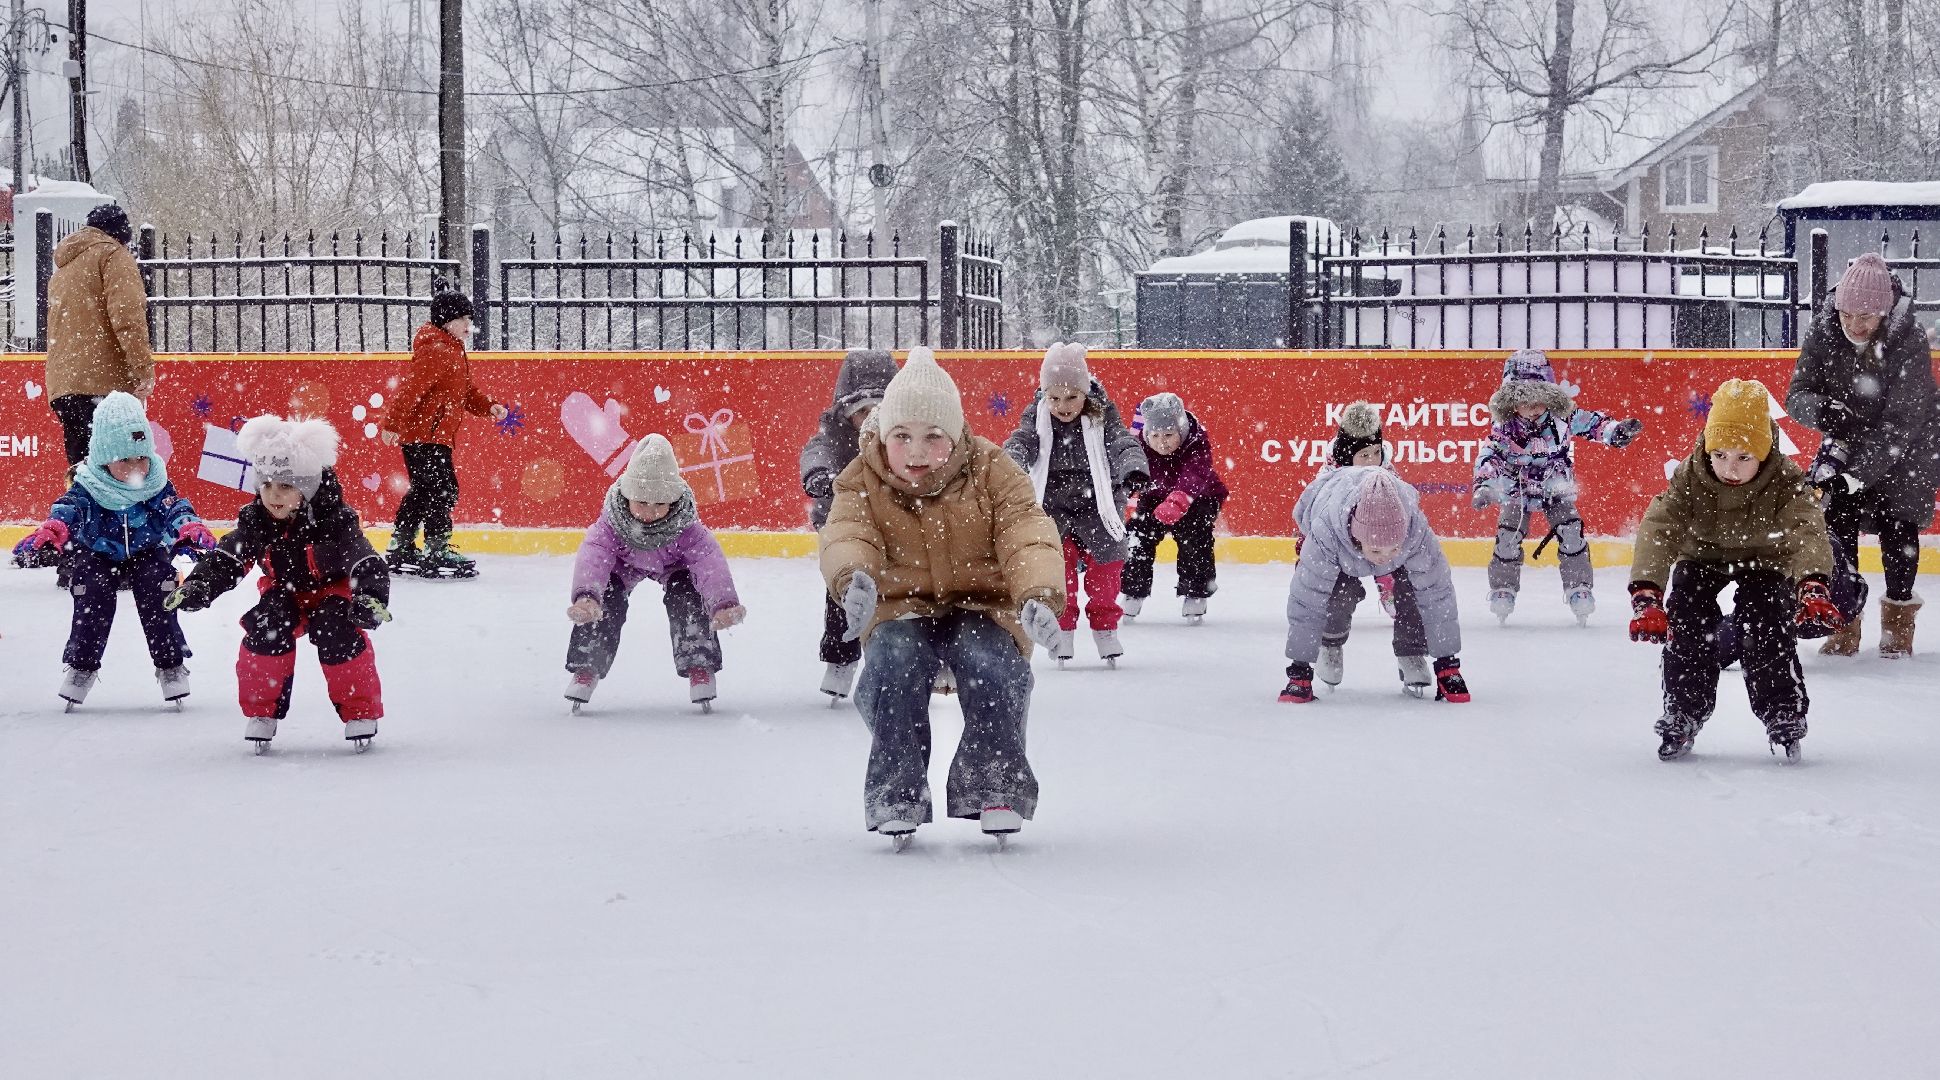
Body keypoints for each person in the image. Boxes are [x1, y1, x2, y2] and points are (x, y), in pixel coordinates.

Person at [820, 346, 1064, 845]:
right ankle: (897, 790)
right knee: (890, 666)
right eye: (902, 437)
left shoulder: (994, 470)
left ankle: (995, 784)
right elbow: (848, 533)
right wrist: (854, 579)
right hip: (901, 607)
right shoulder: (860, 478)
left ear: (956, 438)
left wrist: (1037, 593)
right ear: (883, 435)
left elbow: (1026, 533)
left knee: (995, 665)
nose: (916, 452)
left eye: (934, 437)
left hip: (982, 605)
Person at [1628, 379, 1840, 763]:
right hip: (1703, 556)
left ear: (1764, 453)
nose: (1730, 467)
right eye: (1721, 454)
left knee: (1767, 622)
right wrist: (1648, 593)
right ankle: (1684, 710)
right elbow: (1659, 528)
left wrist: (1812, 585)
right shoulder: (1691, 476)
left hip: (1764, 558)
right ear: (1708, 447)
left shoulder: (1786, 479)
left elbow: (1806, 530)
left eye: (1744, 457)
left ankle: (1782, 711)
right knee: (1688, 620)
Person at [166, 417, 391, 753]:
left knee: (337, 631)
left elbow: (363, 559)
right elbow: (229, 557)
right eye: (267, 485)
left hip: (334, 591)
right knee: (266, 628)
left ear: (307, 487)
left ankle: (360, 711)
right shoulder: (257, 520)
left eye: (285, 487)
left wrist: (370, 596)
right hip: (283, 590)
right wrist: (200, 585)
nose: (273, 495)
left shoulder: (335, 520)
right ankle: (262, 712)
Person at [11, 392, 210, 710]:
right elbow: (68, 509)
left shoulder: (155, 483)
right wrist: (52, 532)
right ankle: (81, 667)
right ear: (104, 458)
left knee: (160, 584)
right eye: (125, 460)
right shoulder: (89, 485)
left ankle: (171, 665)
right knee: (90, 589)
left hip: (146, 552)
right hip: (99, 554)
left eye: (141, 457)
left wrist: (189, 528)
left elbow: (175, 508)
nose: (136, 468)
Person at [1785, 252, 1940, 658]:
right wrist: (1821, 409)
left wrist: (1854, 476)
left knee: (1899, 527)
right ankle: (1845, 623)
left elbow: (1902, 423)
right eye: (1847, 314)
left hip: (1908, 450)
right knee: (1837, 526)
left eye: (1866, 318)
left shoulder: (1909, 339)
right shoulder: (1824, 329)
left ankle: (1897, 629)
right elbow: (1797, 392)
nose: (1855, 325)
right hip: (1848, 442)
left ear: (1885, 314)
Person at [564, 435, 746, 714]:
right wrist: (587, 596)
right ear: (627, 495)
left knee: (687, 594)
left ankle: (699, 664)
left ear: (673, 501)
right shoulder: (612, 522)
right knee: (605, 602)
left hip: (673, 564)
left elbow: (709, 561)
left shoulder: (685, 525)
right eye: (642, 503)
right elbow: (594, 554)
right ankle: (587, 666)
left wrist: (723, 604)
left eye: (660, 505)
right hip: (623, 565)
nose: (650, 513)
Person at [1472, 349, 1643, 625]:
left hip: (1555, 485)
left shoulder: (1563, 417)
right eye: (1524, 402)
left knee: (1571, 531)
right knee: (1508, 534)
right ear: (1511, 402)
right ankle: (1503, 589)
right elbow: (1489, 456)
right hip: (1517, 487)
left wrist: (1616, 432)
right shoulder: (1504, 427)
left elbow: (1593, 424)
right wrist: (1484, 484)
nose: (1532, 409)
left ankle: (1578, 588)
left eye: (1539, 401)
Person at [1003, 342, 1149, 666]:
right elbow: (1022, 439)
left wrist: (1133, 468)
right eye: (1054, 398)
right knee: (1059, 567)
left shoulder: (1102, 412)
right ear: (1044, 395)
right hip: (1053, 502)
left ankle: (1105, 626)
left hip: (1099, 500)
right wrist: (1010, 462)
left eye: (1071, 397)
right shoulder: (1038, 413)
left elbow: (1121, 441)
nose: (1062, 405)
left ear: (1085, 393)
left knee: (1107, 565)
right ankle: (1063, 626)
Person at [1282, 465, 1468, 704]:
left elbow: (1436, 594)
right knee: (1339, 593)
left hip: (1372, 534)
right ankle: (1330, 642)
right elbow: (1307, 600)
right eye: (1377, 549)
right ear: (1359, 537)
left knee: (1412, 590)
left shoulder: (1414, 530)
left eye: (1394, 548)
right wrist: (1299, 671)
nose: (1386, 557)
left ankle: (1412, 652)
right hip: (1340, 540)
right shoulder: (1327, 532)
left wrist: (1447, 665)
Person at [378, 291, 508, 579]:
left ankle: (401, 544)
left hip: (431, 436)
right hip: (425, 435)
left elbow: (465, 392)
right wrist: (391, 424)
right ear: (445, 319)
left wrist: (489, 406)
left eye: (469, 318)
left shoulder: (453, 350)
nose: (467, 324)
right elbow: (411, 390)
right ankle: (435, 548)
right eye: (462, 318)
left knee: (424, 491)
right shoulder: (437, 350)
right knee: (443, 489)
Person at [798, 348, 897, 701]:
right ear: (846, 413)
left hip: (895, 524)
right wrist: (819, 474)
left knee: (912, 590)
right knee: (845, 587)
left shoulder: (902, 438)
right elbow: (815, 451)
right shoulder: (835, 437)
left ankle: (920, 660)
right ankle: (840, 659)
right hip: (845, 524)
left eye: (879, 411)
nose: (871, 419)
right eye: (862, 412)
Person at [44, 204, 155, 470]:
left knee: (82, 469)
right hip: (104, 385)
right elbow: (128, 318)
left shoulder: (64, 268)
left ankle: (79, 510)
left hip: (64, 385)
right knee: (115, 470)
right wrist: (143, 369)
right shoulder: (112, 255)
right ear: (121, 235)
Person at [1122, 392, 1228, 622]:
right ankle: (1133, 591)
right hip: (1155, 497)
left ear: (1180, 430)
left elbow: (1195, 474)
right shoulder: (1140, 445)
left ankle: (1196, 592)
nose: (1162, 441)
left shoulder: (1196, 441)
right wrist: (1125, 486)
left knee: (1194, 535)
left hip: (1200, 496)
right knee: (1137, 536)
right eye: (1155, 435)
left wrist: (1178, 501)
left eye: (1169, 435)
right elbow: (1131, 471)